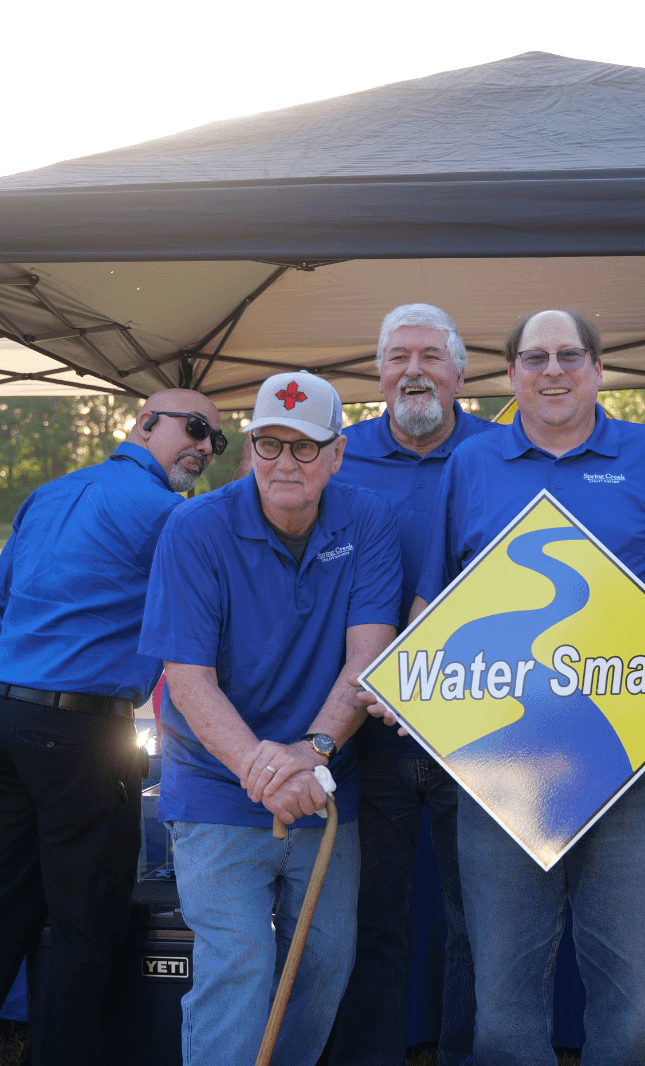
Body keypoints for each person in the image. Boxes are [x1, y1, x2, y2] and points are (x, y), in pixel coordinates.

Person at [411, 309, 645, 1066]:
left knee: (634, 1009)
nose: (551, 370)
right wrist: (414, 686)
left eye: (568, 355)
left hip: (628, 764)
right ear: (511, 373)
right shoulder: (473, 464)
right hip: (499, 775)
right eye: (534, 357)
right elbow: (432, 603)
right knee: (503, 1009)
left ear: (597, 367)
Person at [0, 388, 225, 1066]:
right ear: (144, 423)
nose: (206, 447)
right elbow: (201, 629)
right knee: (87, 921)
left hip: (4, 716)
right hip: (76, 732)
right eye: (195, 429)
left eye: (216, 439)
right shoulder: (168, 516)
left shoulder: (51, 493)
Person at [140, 370, 403, 1066]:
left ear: (338, 454)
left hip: (318, 780)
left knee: (324, 964)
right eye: (268, 444)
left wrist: (311, 752)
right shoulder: (193, 527)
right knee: (240, 965)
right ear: (248, 448)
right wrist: (266, 771)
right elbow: (188, 681)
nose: (284, 463)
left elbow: (367, 658)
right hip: (219, 789)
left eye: (305, 447)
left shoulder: (368, 519)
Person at [330, 304, 492, 1066]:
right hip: (367, 725)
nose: (413, 369)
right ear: (378, 372)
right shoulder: (335, 454)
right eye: (398, 356)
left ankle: (466, 1053)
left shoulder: (503, 452)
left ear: (461, 372)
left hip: (482, 725)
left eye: (430, 355)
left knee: (482, 919)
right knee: (372, 913)